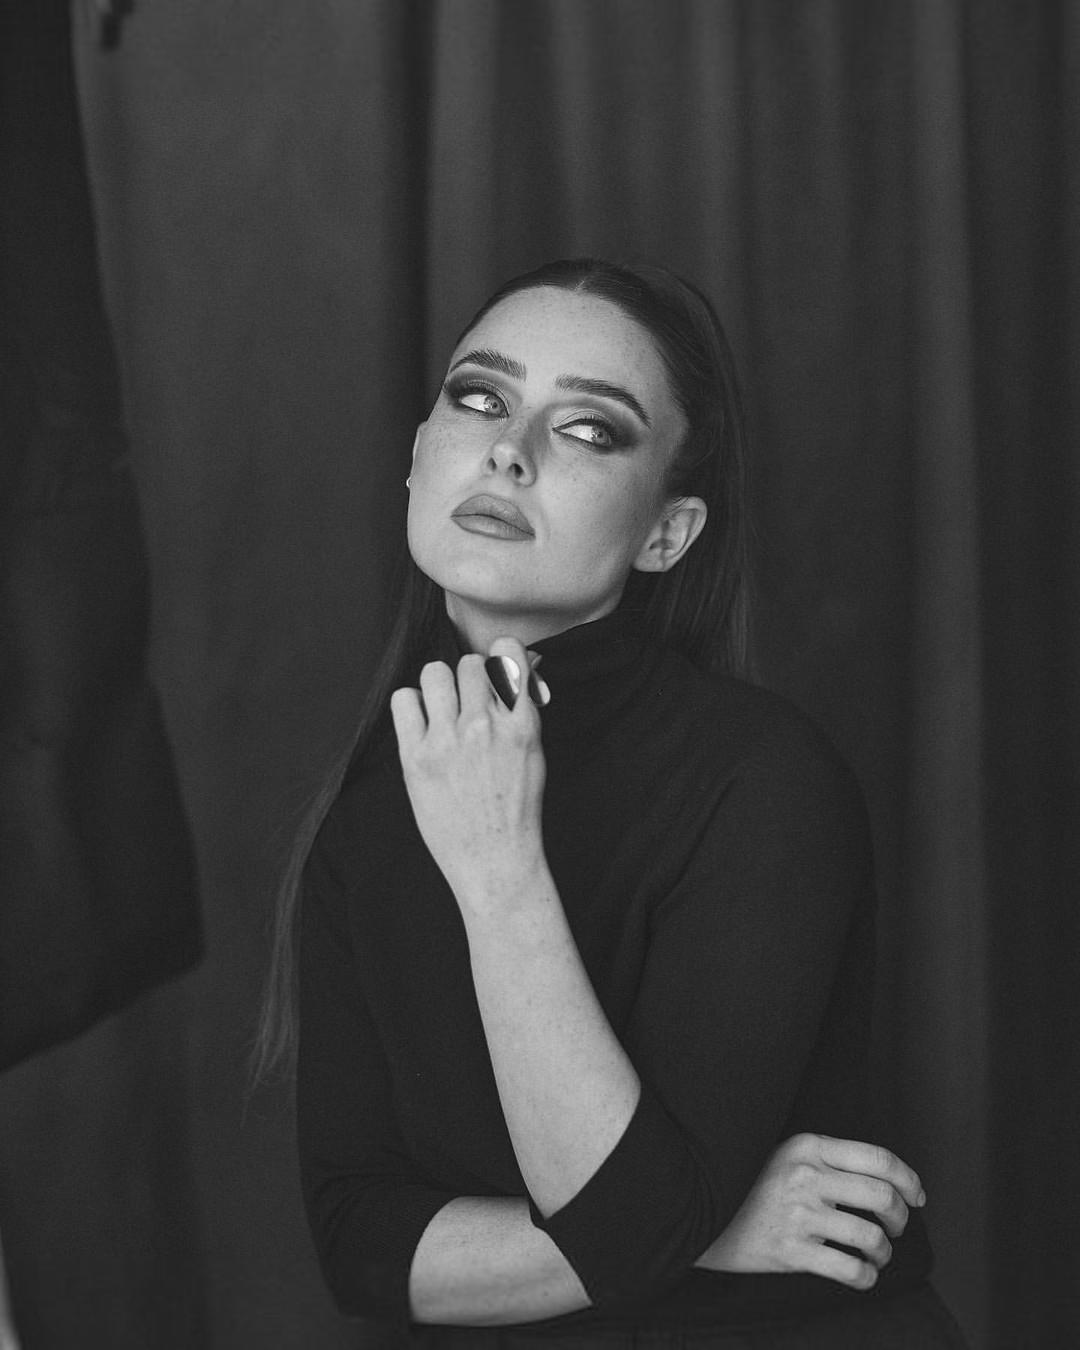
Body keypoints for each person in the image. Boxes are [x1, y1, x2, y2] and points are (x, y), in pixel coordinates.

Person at [256, 258, 968, 1347]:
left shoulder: (764, 778)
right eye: (480, 398)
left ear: (665, 534)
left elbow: (623, 1224)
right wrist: (702, 1229)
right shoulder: (374, 808)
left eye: (589, 429)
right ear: (416, 458)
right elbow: (363, 1248)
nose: (509, 449)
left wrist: (498, 868)